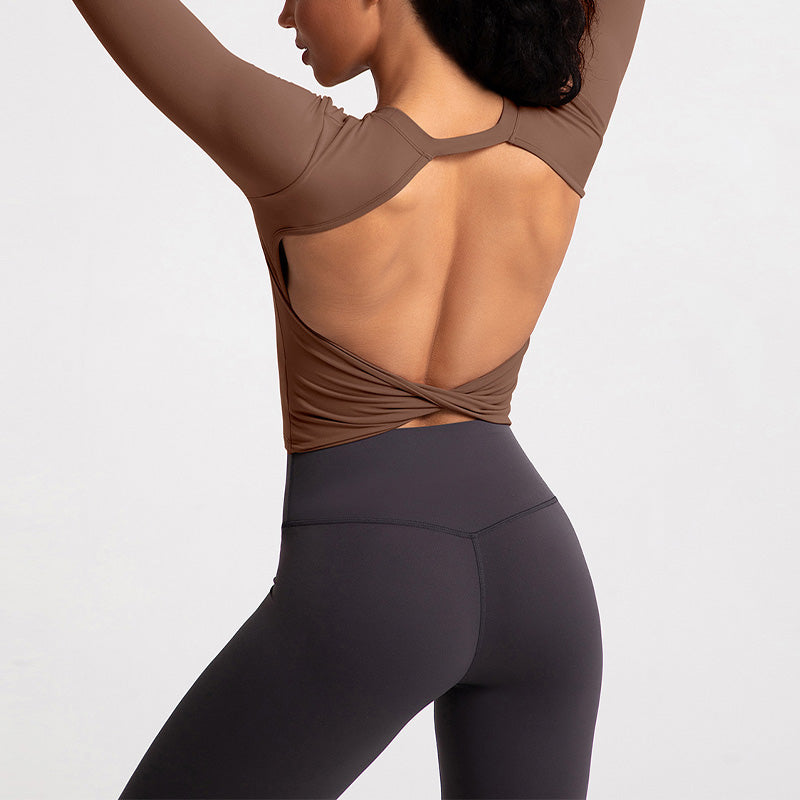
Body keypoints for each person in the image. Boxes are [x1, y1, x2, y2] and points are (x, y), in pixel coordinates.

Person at [69, 0, 646, 797]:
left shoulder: (307, 156)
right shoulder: (567, 133)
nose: (285, 15)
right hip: (542, 579)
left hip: (374, 584)